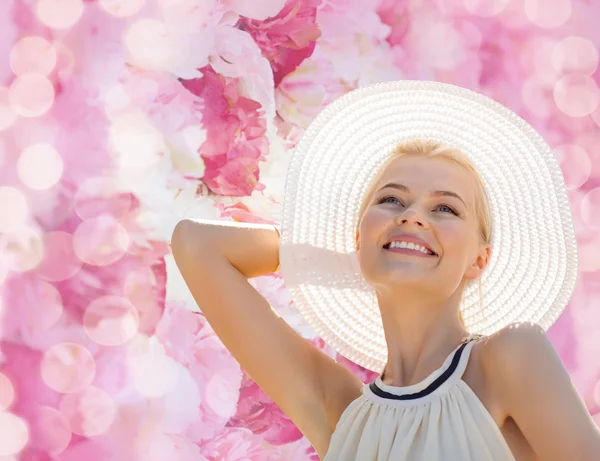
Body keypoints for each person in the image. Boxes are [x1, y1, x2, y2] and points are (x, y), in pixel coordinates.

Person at [171, 81, 600, 460]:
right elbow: (197, 244)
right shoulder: (341, 414)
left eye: (445, 208)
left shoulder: (509, 357)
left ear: (479, 260)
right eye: (392, 200)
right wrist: (358, 249)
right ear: (357, 236)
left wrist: (390, 244)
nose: (413, 216)